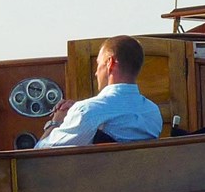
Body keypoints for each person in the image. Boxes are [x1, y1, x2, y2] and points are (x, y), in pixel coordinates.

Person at [35, 36, 165, 148]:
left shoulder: (86, 111)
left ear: (110, 63)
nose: (96, 73)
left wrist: (56, 122)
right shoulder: (152, 112)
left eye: (98, 64)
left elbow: (38, 156)